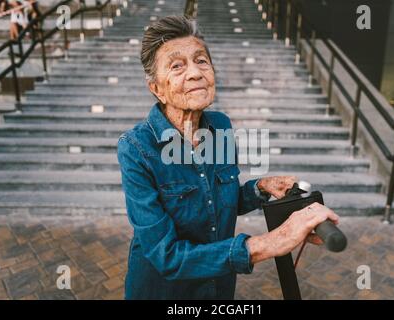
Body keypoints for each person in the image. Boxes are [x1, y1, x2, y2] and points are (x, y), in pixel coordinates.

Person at [117, 15, 340, 300]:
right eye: (177, 66)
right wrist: (276, 241)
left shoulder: (220, 125)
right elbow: (166, 255)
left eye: (201, 60)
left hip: (218, 288)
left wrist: (259, 188)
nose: (196, 73)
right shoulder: (136, 149)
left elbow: (219, 201)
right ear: (156, 89)